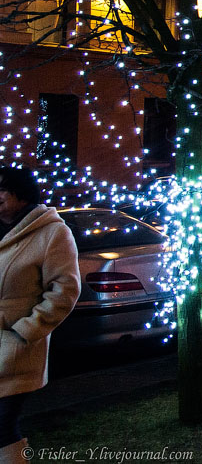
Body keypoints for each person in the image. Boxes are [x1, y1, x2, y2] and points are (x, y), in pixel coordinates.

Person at [0, 166, 80, 461]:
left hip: (16, 347)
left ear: (22, 194)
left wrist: (27, 330)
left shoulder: (52, 232)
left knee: (3, 424)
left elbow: (65, 291)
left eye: (3, 189)